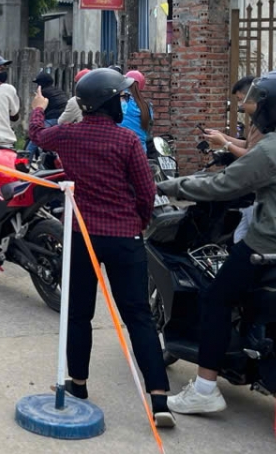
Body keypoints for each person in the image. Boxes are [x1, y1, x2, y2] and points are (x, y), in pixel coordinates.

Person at [158, 70, 276, 416]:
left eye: (259, 104)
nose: (254, 110)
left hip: (272, 248)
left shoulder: (272, 149)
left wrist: (170, 186)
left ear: (274, 108)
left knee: (216, 298)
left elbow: (221, 186)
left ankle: (204, 389)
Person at [27, 68, 174, 428]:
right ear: (109, 103)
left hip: (82, 237)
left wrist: (37, 106)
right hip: (125, 238)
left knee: (79, 314)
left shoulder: (67, 135)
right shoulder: (127, 141)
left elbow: (37, 135)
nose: (124, 102)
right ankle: (159, 400)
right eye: (120, 97)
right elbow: (147, 191)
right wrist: (138, 222)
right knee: (138, 316)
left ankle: (78, 385)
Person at [203, 76, 261, 159]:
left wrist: (224, 143)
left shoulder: (264, 123)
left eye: (241, 99)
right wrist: (223, 137)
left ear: (252, 97)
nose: (240, 105)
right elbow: (247, 144)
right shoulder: (257, 120)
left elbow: (250, 156)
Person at [119, 70, 153, 151]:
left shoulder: (121, 103)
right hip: (141, 151)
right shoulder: (147, 107)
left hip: (122, 149)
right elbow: (148, 131)